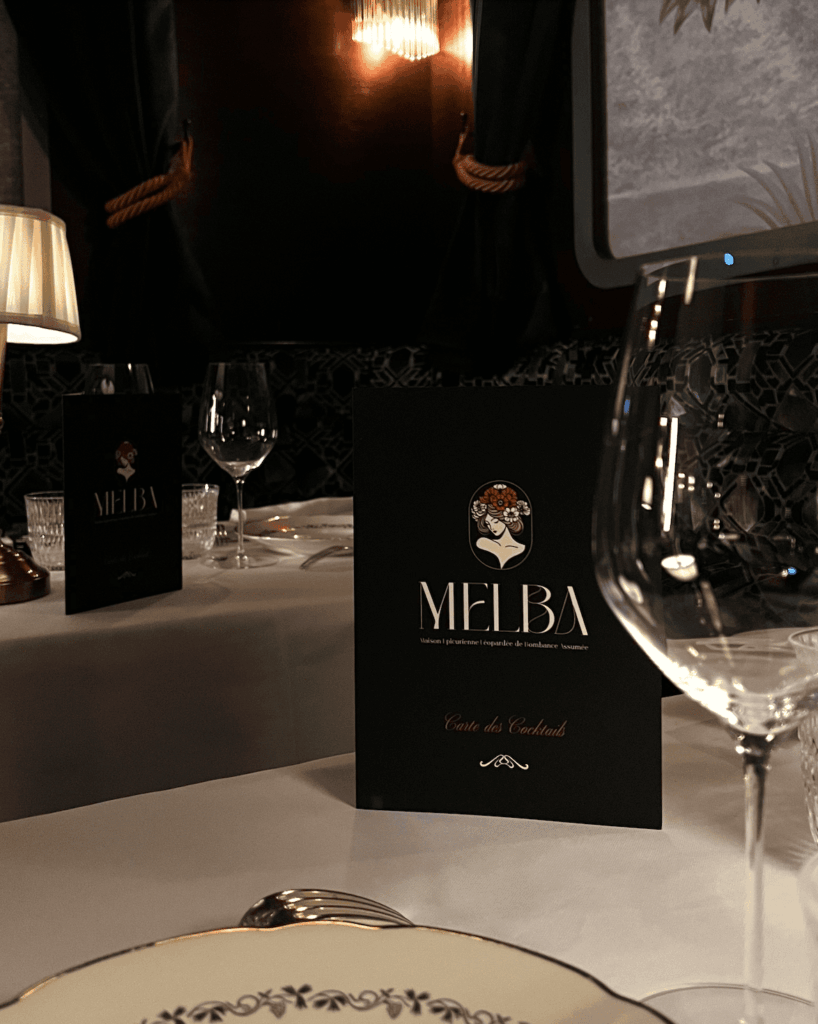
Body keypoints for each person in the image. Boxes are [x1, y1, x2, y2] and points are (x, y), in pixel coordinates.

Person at [471, 484, 530, 569]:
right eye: (487, 524)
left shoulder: (522, 548)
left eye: (495, 521)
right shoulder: (483, 542)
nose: (491, 527)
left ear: (506, 519)